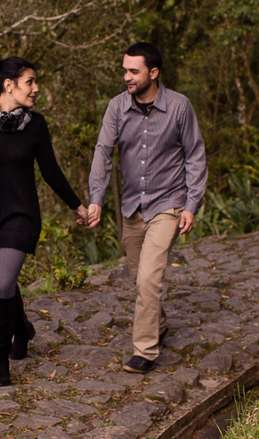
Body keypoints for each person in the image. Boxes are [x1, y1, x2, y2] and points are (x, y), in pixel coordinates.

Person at [0, 52, 88, 387]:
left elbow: (51, 171)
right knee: (4, 284)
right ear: (8, 85)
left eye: (34, 82)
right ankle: (22, 328)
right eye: (30, 82)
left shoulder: (36, 125)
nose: (35, 88)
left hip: (22, 216)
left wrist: (77, 206)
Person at [86, 42, 207, 374]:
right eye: (124, 70)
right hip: (131, 206)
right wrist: (96, 198)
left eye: (133, 71)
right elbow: (102, 151)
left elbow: (195, 155)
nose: (126, 76)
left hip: (168, 203)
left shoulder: (180, 107)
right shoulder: (116, 108)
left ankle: (145, 351)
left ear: (153, 73)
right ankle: (159, 323)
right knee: (140, 278)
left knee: (150, 276)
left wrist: (191, 204)